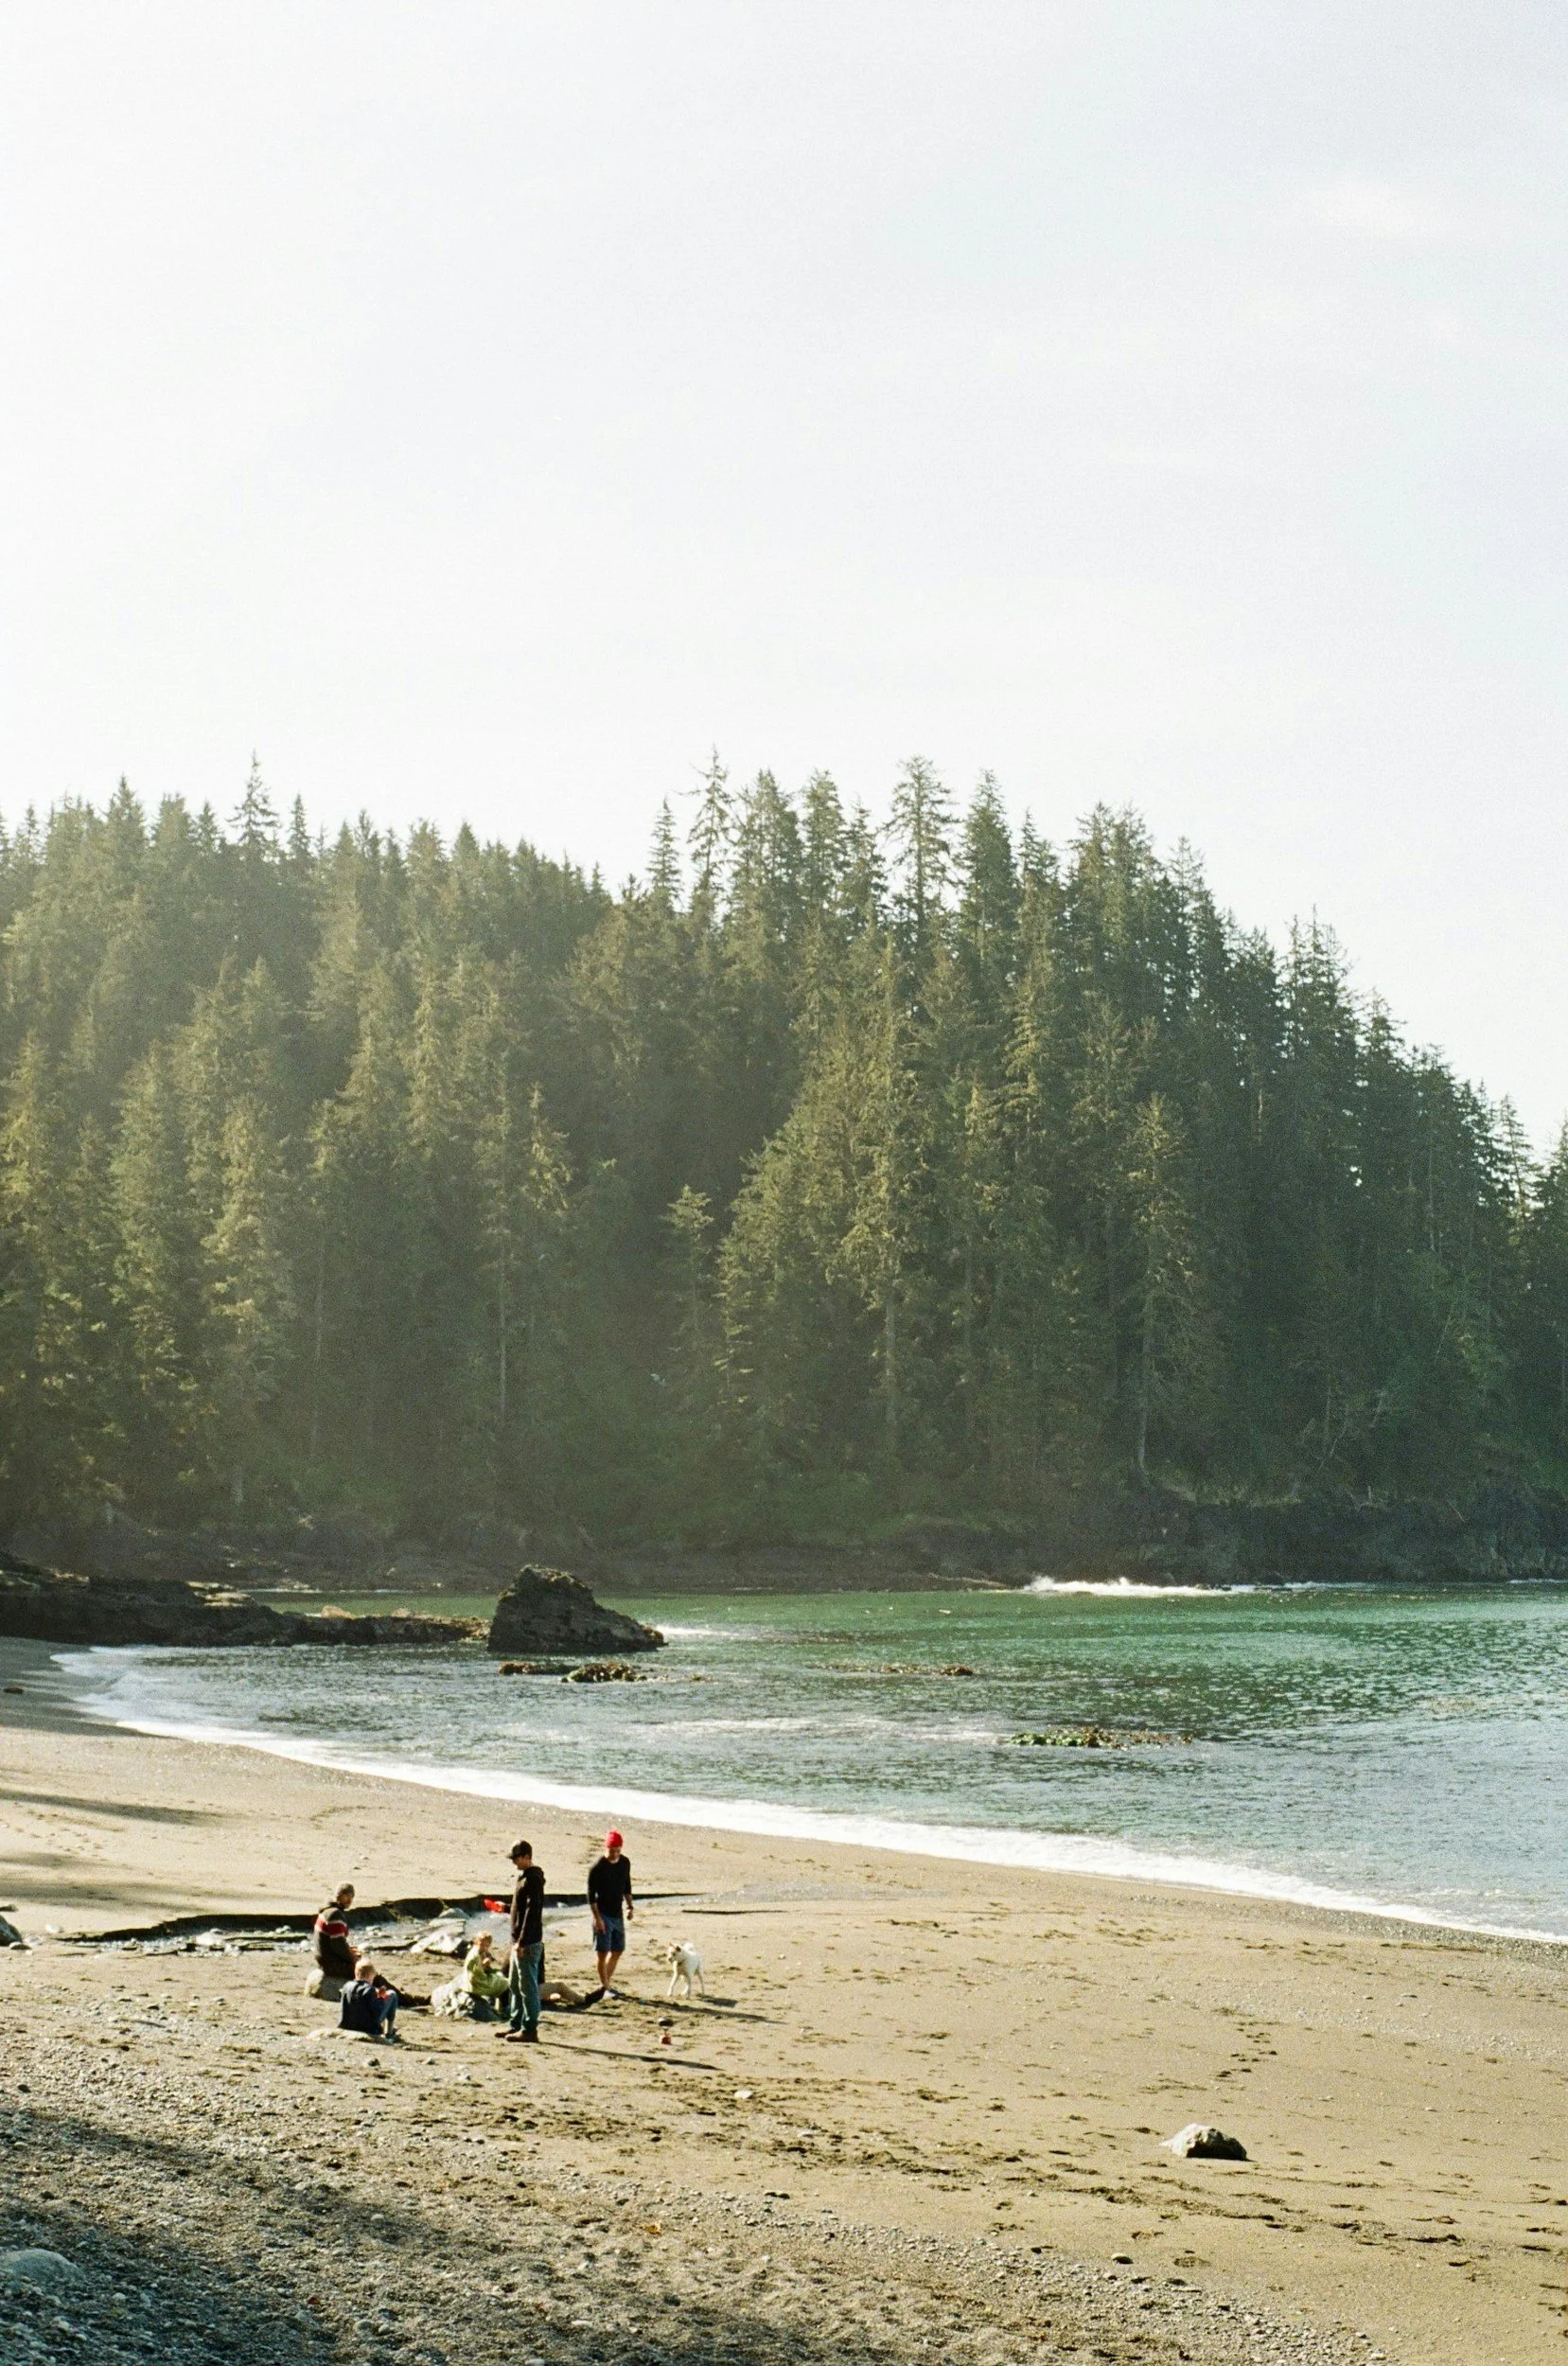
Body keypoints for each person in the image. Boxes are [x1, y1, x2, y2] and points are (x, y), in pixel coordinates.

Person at [503, 1839, 545, 2044]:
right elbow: (522, 1909)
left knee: (527, 1986)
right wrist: (506, 1908)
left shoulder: (533, 1879)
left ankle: (529, 2029)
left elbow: (531, 1912)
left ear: (527, 1856)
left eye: (517, 1858)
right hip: (519, 1941)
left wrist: (521, 1941)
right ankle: (516, 2024)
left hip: (527, 1943)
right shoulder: (525, 1878)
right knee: (515, 1984)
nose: (514, 1862)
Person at [587, 1828, 633, 1998]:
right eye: (611, 1851)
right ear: (605, 1848)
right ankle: (605, 1986)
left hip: (617, 1913)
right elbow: (591, 1897)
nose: (614, 1854)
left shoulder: (625, 1863)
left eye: (617, 1851)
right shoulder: (597, 1868)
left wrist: (630, 1906)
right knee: (602, 1951)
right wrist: (597, 1919)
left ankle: (605, 1983)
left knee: (618, 1950)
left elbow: (627, 1886)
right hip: (602, 1913)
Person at [307, 1881, 361, 2000]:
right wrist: (353, 1959)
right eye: (347, 1896)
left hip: (324, 1959)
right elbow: (338, 1945)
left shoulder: (327, 1910)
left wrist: (349, 1951)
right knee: (365, 1971)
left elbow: (335, 1941)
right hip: (330, 1963)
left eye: (352, 1897)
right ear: (339, 1895)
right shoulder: (335, 1914)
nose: (350, 1901)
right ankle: (398, 1997)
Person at [339, 1960, 400, 2040]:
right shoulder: (369, 1990)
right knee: (392, 1994)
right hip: (367, 2028)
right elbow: (377, 2011)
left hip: (347, 2025)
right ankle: (389, 2032)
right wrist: (381, 1997)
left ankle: (388, 2031)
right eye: (372, 1978)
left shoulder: (346, 1986)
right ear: (368, 1976)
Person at [464, 1931, 510, 2020]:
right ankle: (504, 2009)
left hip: (476, 1980)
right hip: (475, 1984)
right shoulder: (475, 1956)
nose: (484, 1948)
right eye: (482, 1945)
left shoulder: (479, 1952)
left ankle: (499, 2007)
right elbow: (476, 1974)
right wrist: (484, 1966)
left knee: (500, 1977)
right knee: (505, 1984)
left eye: (486, 1946)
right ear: (476, 1942)